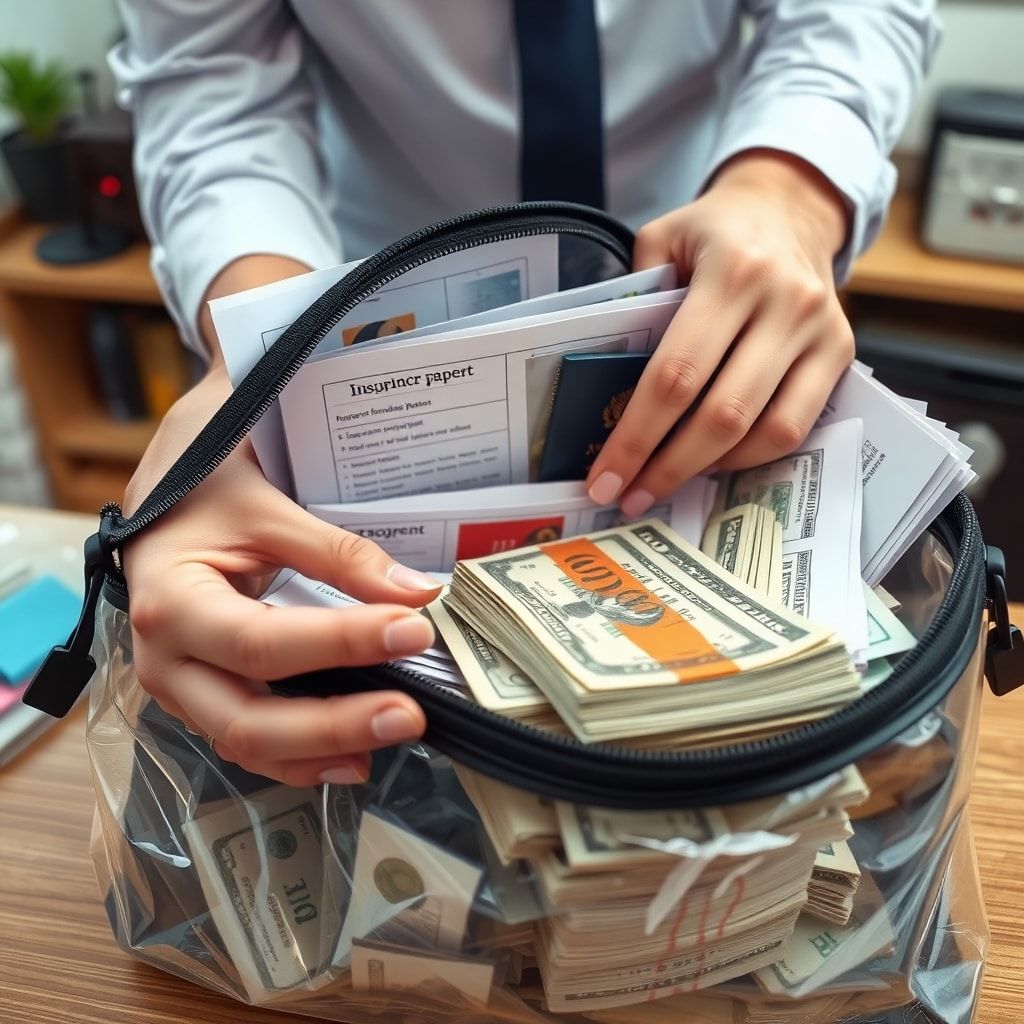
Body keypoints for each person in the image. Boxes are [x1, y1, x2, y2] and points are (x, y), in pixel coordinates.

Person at [110, 0, 939, 787]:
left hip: (711, 287)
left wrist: (787, 192)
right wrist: (263, 360)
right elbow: (210, 81)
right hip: (356, 315)